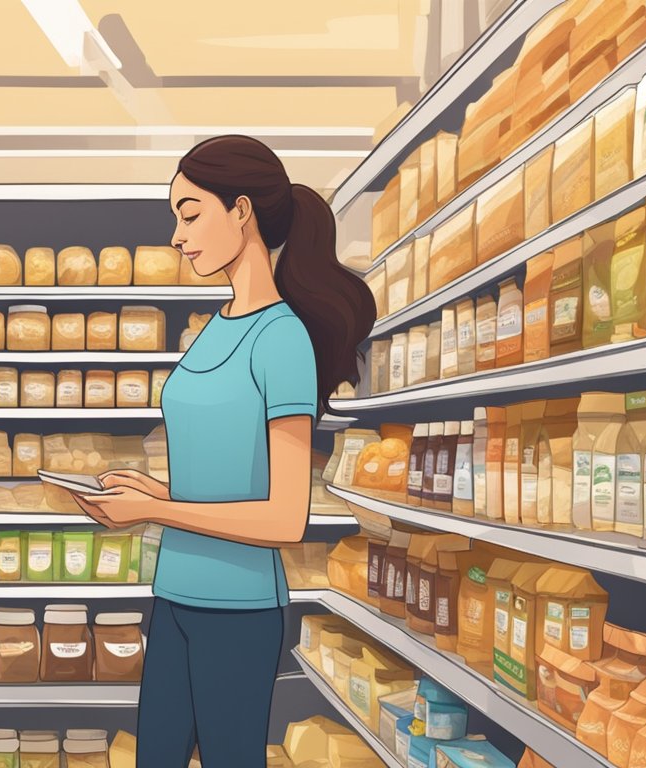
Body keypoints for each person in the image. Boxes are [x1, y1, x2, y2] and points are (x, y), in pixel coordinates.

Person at [72, 135, 375, 766]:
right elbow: (221, 475)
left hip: (239, 609)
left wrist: (156, 513)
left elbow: (284, 518)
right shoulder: (216, 327)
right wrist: (156, 492)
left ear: (242, 211)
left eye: (189, 214)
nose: (178, 236)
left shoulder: (282, 338)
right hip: (175, 594)